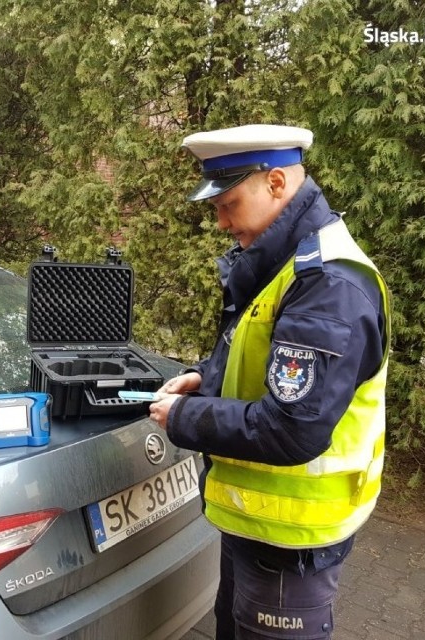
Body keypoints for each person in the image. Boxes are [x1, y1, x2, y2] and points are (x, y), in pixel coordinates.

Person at [149, 124, 390, 640]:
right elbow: (259, 360)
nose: (220, 222)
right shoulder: (281, 263)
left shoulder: (327, 284)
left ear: (276, 183)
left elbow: (290, 429)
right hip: (255, 524)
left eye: (229, 203)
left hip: (291, 542)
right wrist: (203, 379)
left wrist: (185, 417)